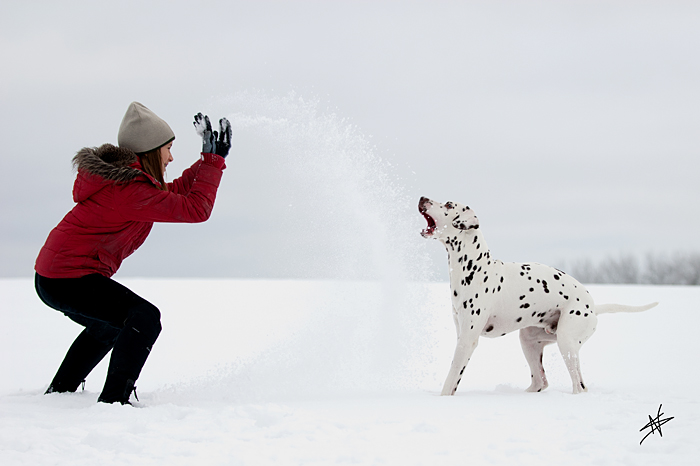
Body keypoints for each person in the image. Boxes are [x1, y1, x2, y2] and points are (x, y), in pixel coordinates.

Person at [34, 102, 231, 405]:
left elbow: (174, 192)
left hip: (56, 276)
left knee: (109, 325)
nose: (171, 157)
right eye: (168, 148)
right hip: (67, 278)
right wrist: (212, 162)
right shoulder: (129, 190)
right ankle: (114, 401)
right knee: (144, 318)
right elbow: (195, 208)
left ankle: (59, 394)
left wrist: (210, 161)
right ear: (151, 149)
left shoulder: (132, 185)